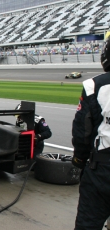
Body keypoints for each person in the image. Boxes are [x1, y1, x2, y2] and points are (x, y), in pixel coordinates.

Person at [71, 35, 110, 230]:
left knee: (88, 225)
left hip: (102, 169)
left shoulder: (95, 85)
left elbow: (82, 132)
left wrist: (79, 160)